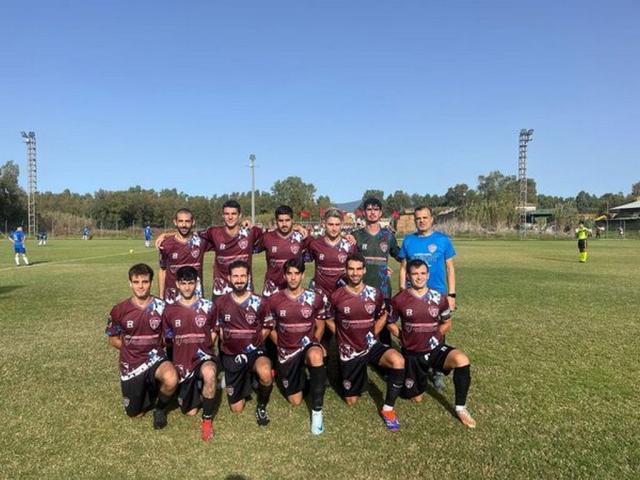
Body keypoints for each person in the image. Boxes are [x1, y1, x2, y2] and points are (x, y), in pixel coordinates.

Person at [388, 259, 476, 428]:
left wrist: (435, 336)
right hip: (413, 354)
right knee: (416, 398)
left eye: (422, 273)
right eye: (414, 274)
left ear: (428, 275)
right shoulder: (400, 299)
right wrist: (402, 336)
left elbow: (447, 323)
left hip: (435, 348)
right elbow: (391, 323)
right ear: (408, 276)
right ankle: (418, 379)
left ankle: (461, 408)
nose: (419, 277)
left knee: (462, 360)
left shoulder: (438, 297)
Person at [326, 253, 405, 431]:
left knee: (398, 361)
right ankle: (348, 372)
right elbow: (328, 318)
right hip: (349, 349)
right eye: (351, 269)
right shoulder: (337, 295)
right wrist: (341, 335)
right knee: (351, 401)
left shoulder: (374, 293)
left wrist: (372, 333)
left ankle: (388, 409)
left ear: (364, 270)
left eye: (358, 269)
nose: (354, 273)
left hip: (370, 345)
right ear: (346, 271)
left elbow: (382, 315)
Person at [105, 263, 178, 429]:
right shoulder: (119, 310)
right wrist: (132, 350)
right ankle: (148, 389)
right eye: (136, 282)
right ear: (130, 283)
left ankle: (160, 409)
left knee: (171, 379)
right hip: (131, 363)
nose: (140, 286)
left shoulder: (162, 307)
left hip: (155, 358)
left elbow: (169, 336)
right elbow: (113, 339)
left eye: (145, 282)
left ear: (151, 282)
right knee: (135, 414)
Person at [261, 258, 328, 434]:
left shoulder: (314, 298)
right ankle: (312, 380)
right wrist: (281, 344)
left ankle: (317, 412)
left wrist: (315, 343)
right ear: (284, 275)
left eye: (296, 274)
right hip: (287, 351)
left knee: (315, 355)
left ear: (303, 275)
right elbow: (270, 328)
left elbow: (320, 325)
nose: (292, 278)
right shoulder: (274, 299)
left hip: (306, 347)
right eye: (289, 273)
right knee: (295, 401)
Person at [398, 206, 457, 391]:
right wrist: (402, 291)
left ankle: (437, 370)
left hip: (437, 293)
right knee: (412, 329)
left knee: (439, 330)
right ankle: (409, 366)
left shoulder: (443, 240)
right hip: (413, 294)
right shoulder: (408, 241)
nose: (421, 221)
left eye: (425, 217)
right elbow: (403, 268)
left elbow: (450, 268)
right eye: (418, 218)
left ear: (432, 219)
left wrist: (452, 295)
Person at [212, 260, 273, 425]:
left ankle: (261, 405)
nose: (239, 280)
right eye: (236, 276)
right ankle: (246, 378)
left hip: (254, 352)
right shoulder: (220, 302)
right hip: (232, 355)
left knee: (266, 372)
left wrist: (254, 344)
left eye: (243, 276)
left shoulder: (259, 301)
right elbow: (216, 329)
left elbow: (267, 326)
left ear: (248, 277)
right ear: (229, 278)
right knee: (237, 409)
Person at [162, 266, 218, 441]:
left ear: (196, 284)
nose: (187, 287)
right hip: (182, 362)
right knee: (190, 412)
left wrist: (206, 348)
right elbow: (168, 340)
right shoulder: (169, 310)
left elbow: (214, 331)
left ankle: (207, 420)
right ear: (177, 284)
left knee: (209, 372)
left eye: (191, 283)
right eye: (184, 283)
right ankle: (196, 388)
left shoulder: (208, 306)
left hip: (203, 358)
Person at [348, 197, 401, 346]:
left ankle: (384, 352)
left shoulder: (388, 236)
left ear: (381, 212)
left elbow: (399, 255)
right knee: (360, 321)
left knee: (383, 320)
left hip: (382, 287)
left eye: (376, 209)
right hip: (360, 287)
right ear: (364, 212)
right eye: (369, 209)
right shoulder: (356, 235)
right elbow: (347, 259)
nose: (372, 213)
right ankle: (359, 349)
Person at [157, 208, 209, 303]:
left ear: (193, 222)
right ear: (175, 222)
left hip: (195, 296)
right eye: (180, 221)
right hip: (172, 297)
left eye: (187, 221)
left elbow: (222, 232)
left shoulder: (201, 241)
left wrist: (243, 223)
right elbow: (162, 270)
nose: (184, 225)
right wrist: (161, 296)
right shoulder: (166, 244)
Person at [254, 205, 306, 297]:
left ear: (292, 221)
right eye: (281, 221)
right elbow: (248, 247)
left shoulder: (301, 237)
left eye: (287, 220)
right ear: (276, 221)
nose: (284, 224)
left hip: (294, 290)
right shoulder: (267, 237)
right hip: (271, 289)